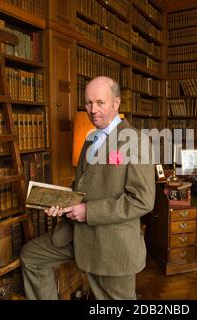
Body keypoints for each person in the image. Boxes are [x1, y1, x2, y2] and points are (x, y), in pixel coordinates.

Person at [20, 76, 156, 300]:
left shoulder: (135, 140)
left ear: (116, 103)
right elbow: (82, 185)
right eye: (88, 103)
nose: (93, 109)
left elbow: (142, 200)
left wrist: (88, 211)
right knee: (32, 256)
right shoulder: (90, 138)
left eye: (100, 102)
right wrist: (60, 204)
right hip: (75, 235)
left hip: (111, 244)